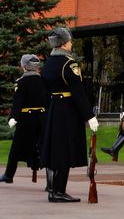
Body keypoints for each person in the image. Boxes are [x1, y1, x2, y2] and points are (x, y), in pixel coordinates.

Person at [40, 27, 99, 202]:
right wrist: (89, 116)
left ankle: (51, 188)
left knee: (54, 148)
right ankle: (58, 190)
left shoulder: (48, 63)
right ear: (64, 44)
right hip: (67, 111)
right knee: (65, 149)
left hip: (53, 109)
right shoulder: (69, 64)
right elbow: (78, 93)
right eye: (70, 41)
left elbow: (44, 91)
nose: (71, 43)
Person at [0, 55, 47, 184]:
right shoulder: (44, 81)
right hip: (42, 118)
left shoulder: (21, 82)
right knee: (45, 148)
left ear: (24, 66)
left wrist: (13, 117)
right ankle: (51, 181)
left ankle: (9, 175)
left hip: (26, 119)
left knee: (16, 148)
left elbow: (18, 102)